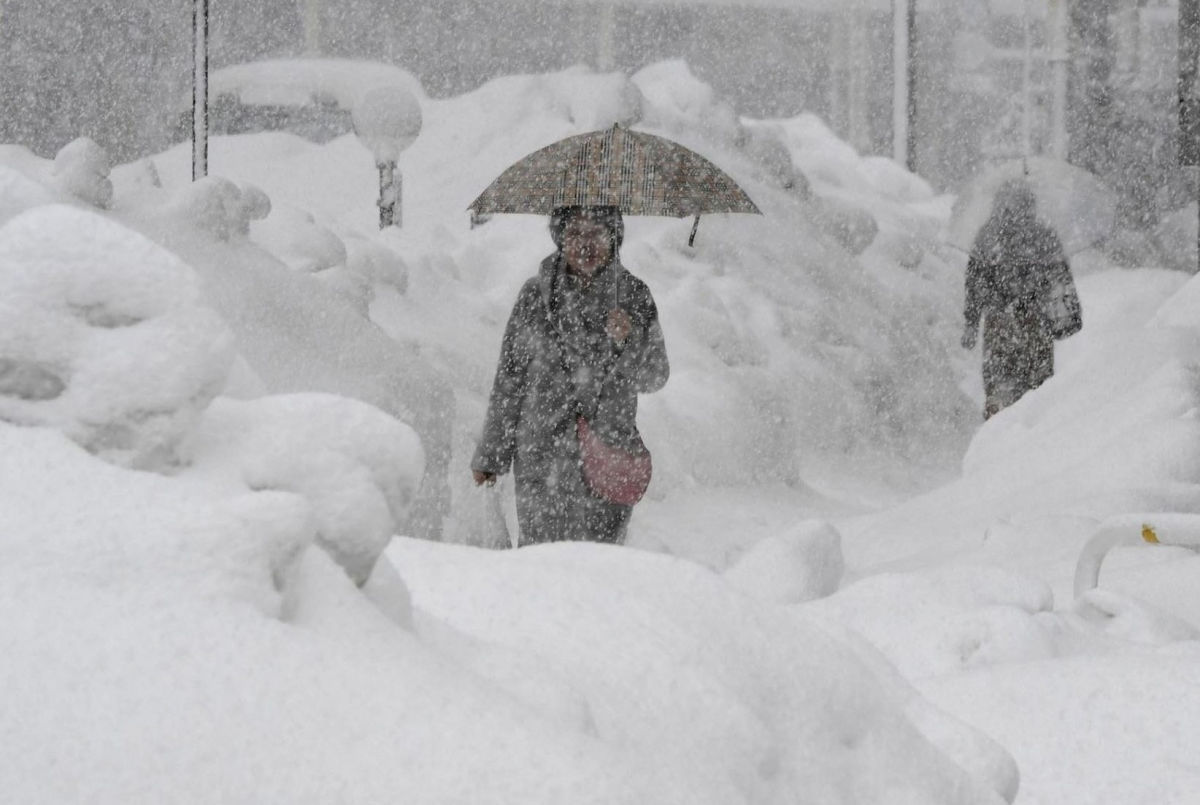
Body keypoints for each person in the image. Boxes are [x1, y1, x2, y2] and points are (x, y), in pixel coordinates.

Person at [471, 205, 669, 546]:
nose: (585, 244)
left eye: (596, 234)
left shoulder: (635, 296)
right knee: (541, 566)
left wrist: (630, 340)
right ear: (559, 237)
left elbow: (655, 376)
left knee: (599, 570)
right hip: (541, 458)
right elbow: (509, 379)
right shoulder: (535, 296)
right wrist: (492, 455)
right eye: (575, 233)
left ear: (615, 236)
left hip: (607, 453)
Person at [961, 180, 1080, 419]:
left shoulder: (988, 236)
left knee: (999, 383)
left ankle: (997, 430)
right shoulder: (1044, 235)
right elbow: (1060, 280)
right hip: (1036, 324)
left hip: (999, 324)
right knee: (1038, 388)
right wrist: (1068, 317)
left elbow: (974, 284)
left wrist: (972, 322)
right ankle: (1031, 435)